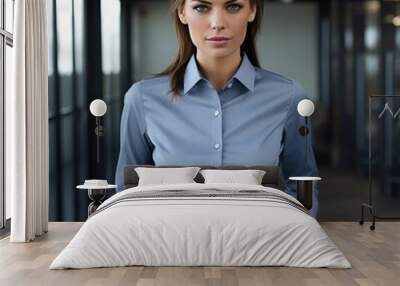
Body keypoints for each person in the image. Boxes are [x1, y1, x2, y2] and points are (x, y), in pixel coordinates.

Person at [115, 0, 320, 217]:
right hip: (169, 245)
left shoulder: (288, 96)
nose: (217, 23)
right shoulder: (142, 98)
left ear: (252, 11)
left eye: (233, 7)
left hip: (261, 244)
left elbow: (303, 187)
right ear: (182, 13)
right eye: (202, 8)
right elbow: (128, 191)